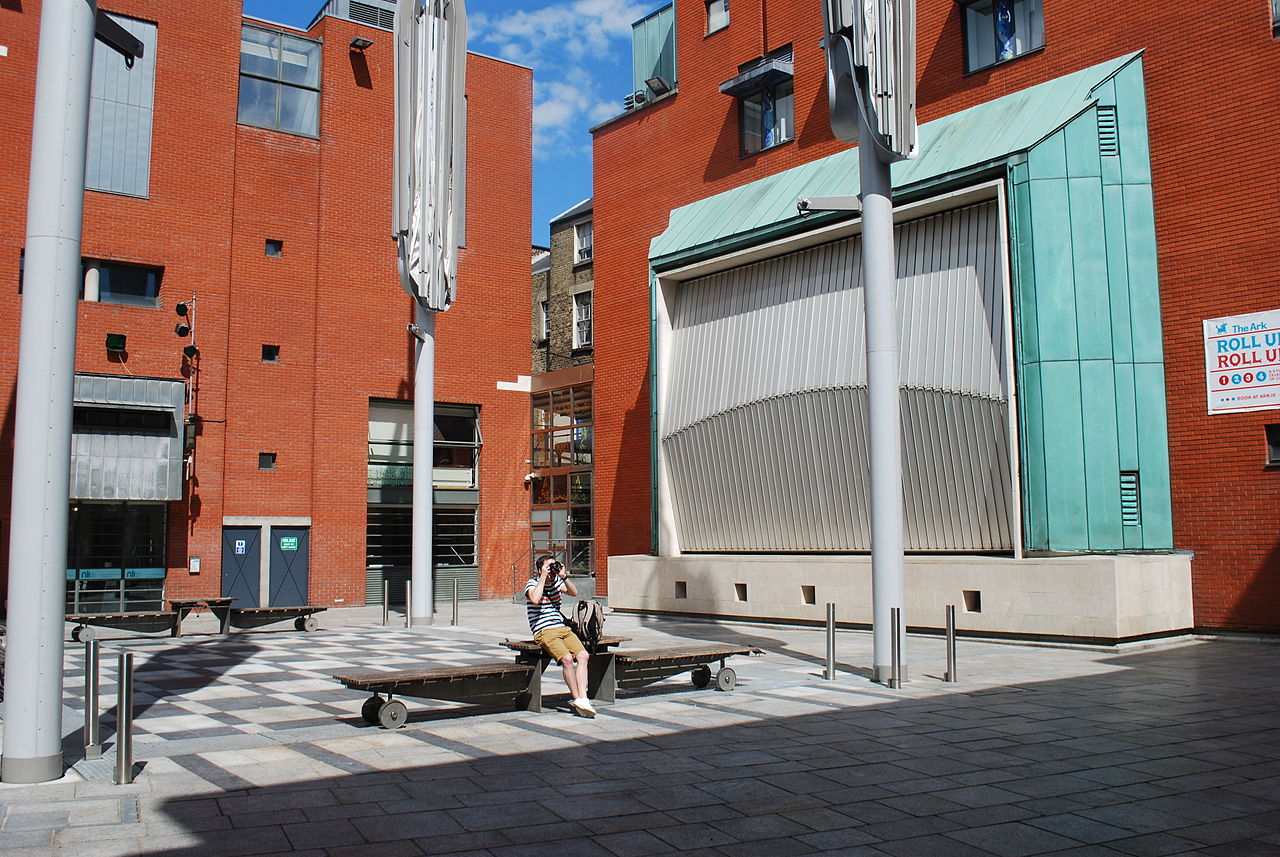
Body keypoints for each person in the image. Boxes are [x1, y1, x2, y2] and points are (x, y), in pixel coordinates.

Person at [524, 554, 595, 718]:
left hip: (562, 628)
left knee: (583, 655)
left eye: (553, 566)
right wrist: (542, 576)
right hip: (544, 630)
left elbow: (574, 592)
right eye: (548, 567)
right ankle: (577, 698)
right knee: (567, 659)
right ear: (540, 568)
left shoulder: (557, 582)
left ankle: (583, 699)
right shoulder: (533, 583)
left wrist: (564, 576)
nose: (551, 570)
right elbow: (534, 599)